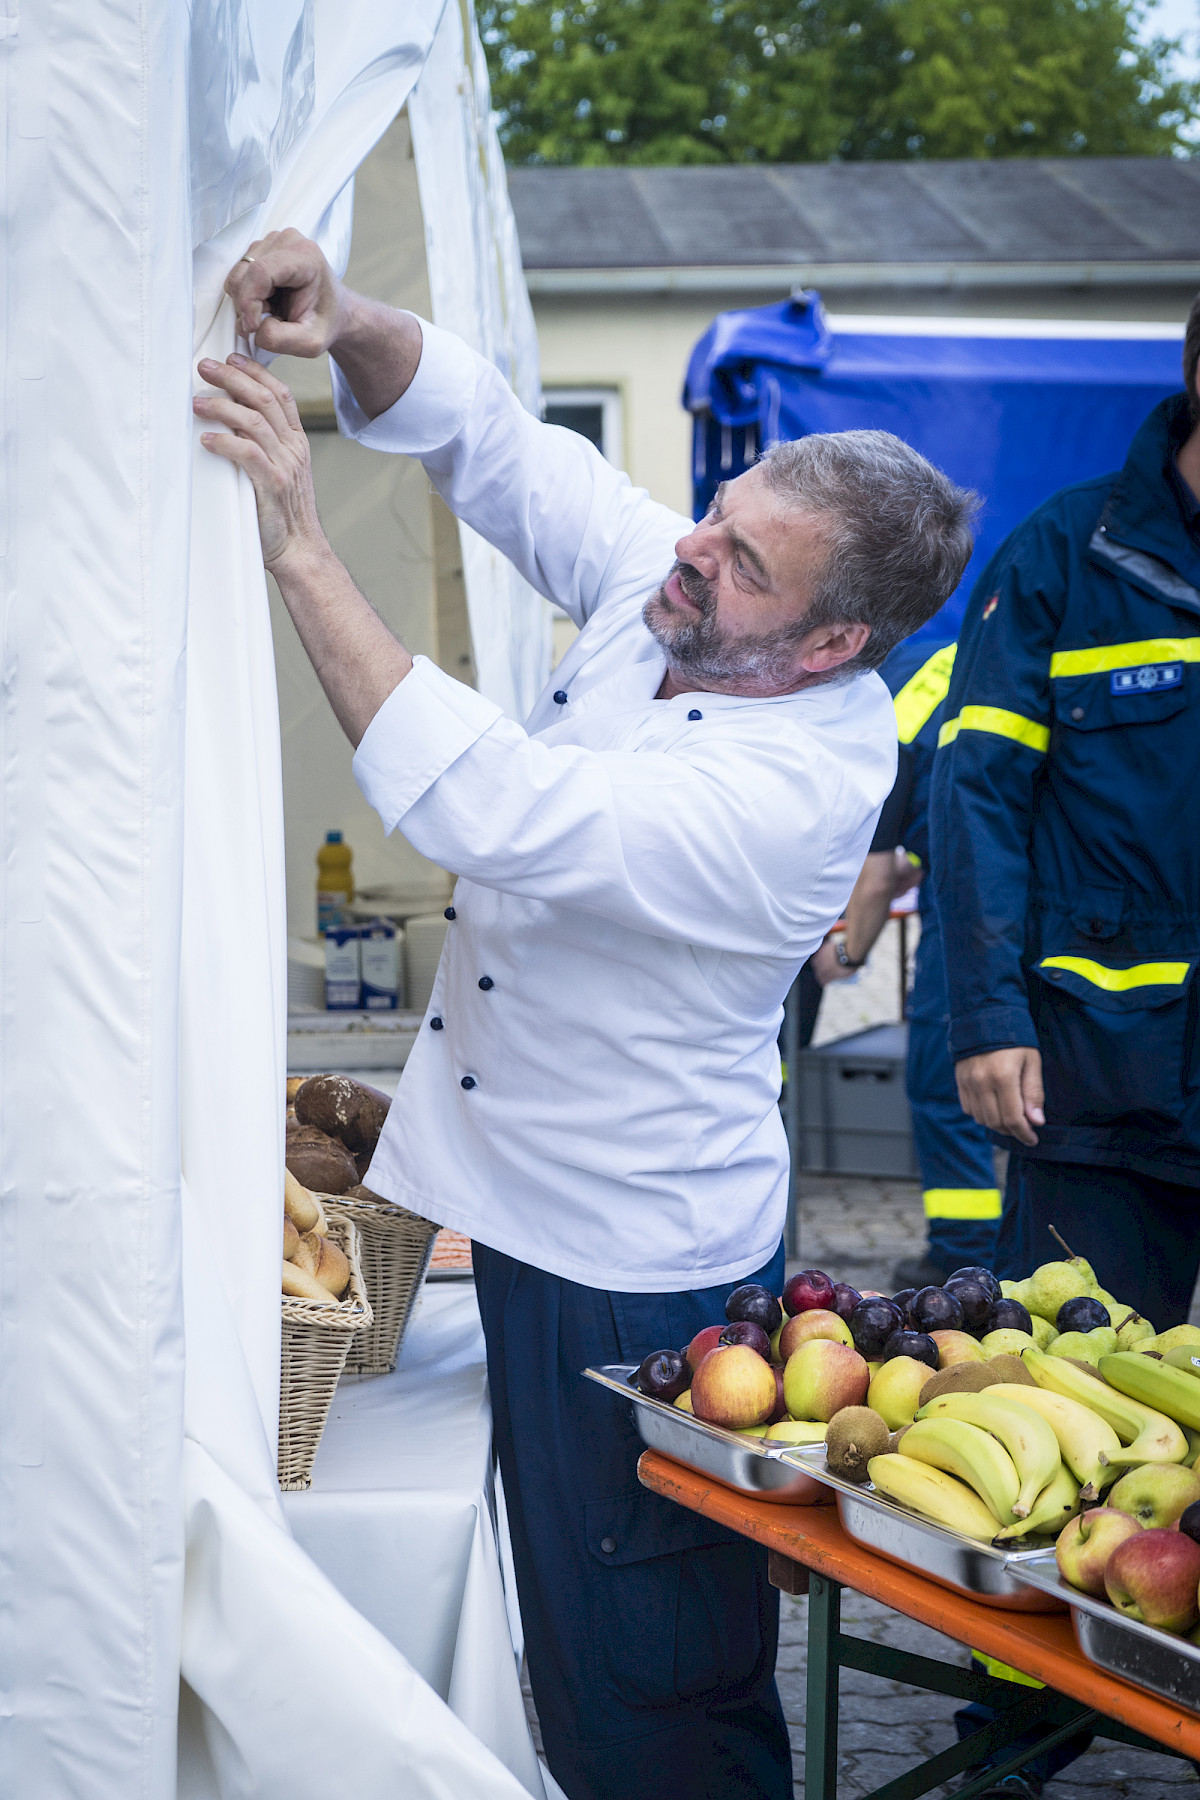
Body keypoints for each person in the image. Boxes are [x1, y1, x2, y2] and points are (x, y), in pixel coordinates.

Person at [195, 228, 974, 1800]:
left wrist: (297, 535)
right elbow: (495, 442)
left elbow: (489, 803)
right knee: (587, 1654)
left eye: (745, 564)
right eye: (716, 520)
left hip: (632, 1267)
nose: (691, 558)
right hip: (530, 1217)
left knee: (650, 1688)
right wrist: (344, 319)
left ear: (829, 645)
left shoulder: (791, 786)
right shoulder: (696, 595)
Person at [931, 298, 1200, 1335]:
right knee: (1070, 1405)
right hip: (1099, 1083)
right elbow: (979, 799)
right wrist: (990, 1022)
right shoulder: (1062, 556)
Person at [813, 637, 1002, 1289]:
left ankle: (964, 1252)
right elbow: (966, 794)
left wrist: (845, 952)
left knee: (942, 1077)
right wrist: (916, 858)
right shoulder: (952, 658)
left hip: (969, 906)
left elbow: (868, 880)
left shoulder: (881, 712)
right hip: (1035, 889)